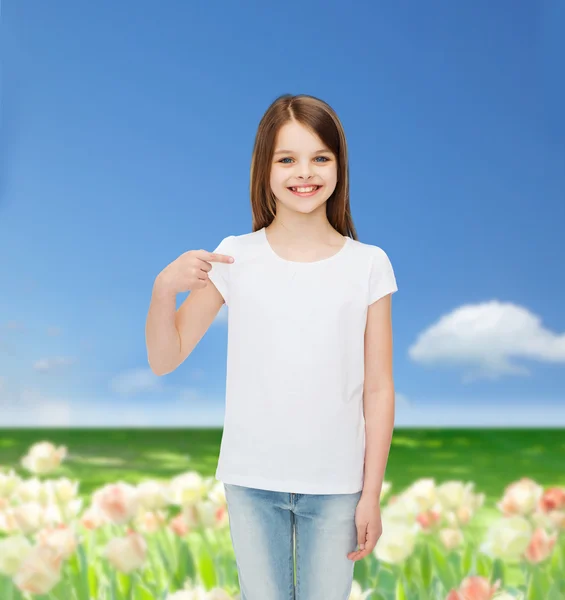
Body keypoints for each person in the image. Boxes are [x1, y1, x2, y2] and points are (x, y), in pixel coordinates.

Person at [146, 93, 398, 600]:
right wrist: (162, 288)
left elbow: (378, 390)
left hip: (337, 486)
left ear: (338, 166)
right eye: (287, 159)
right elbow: (165, 358)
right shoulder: (234, 257)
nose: (304, 173)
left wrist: (371, 494)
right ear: (265, 169)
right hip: (250, 478)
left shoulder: (368, 264)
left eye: (319, 158)